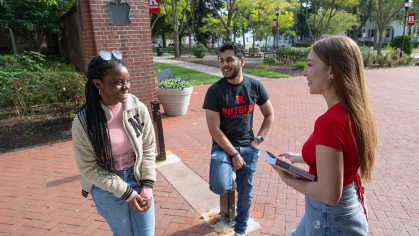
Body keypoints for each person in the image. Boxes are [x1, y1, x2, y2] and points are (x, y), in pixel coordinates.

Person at [274, 36, 377, 235]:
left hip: (329, 217)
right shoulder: (353, 112)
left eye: (310, 65)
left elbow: (329, 195)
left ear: (331, 71)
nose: (304, 73)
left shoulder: (329, 122)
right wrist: (299, 158)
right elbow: (341, 157)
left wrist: (285, 177)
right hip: (335, 212)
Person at [72, 50, 156, 236]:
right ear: (98, 83)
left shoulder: (137, 108)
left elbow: (149, 147)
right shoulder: (84, 121)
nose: (126, 87)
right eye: (118, 82)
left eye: (127, 80)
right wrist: (125, 193)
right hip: (106, 188)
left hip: (138, 179)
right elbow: (87, 168)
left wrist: (148, 186)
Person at [203, 42, 274, 236]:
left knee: (245, 193)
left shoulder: (254, 85)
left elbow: (269, 114)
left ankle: (240, 230)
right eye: (222, 60)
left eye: (229, 60)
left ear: (242, 61)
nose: (224, 64)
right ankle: (227, 173)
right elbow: (214, 129)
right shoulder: (215, 91)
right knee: (219, 186)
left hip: (248, 146)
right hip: (223, 147)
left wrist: (258, 140)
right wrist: (233, 154)